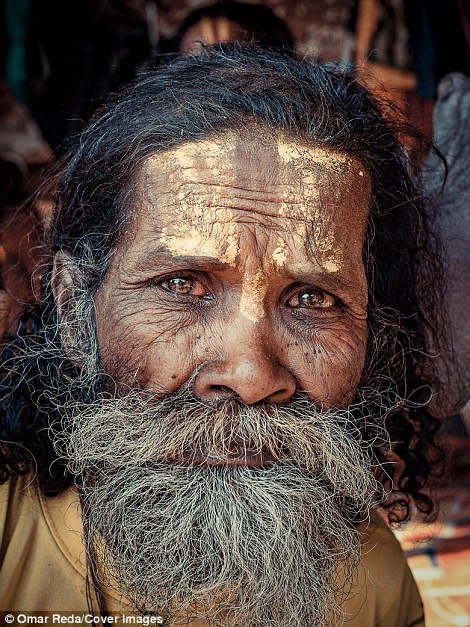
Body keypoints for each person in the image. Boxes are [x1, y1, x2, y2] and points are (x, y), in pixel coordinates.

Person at [0, 44, 445, 625]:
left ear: (374, 340)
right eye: (183, 284)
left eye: (313, 299)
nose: (251, 376)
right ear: (74, 308)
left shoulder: (371, 581)